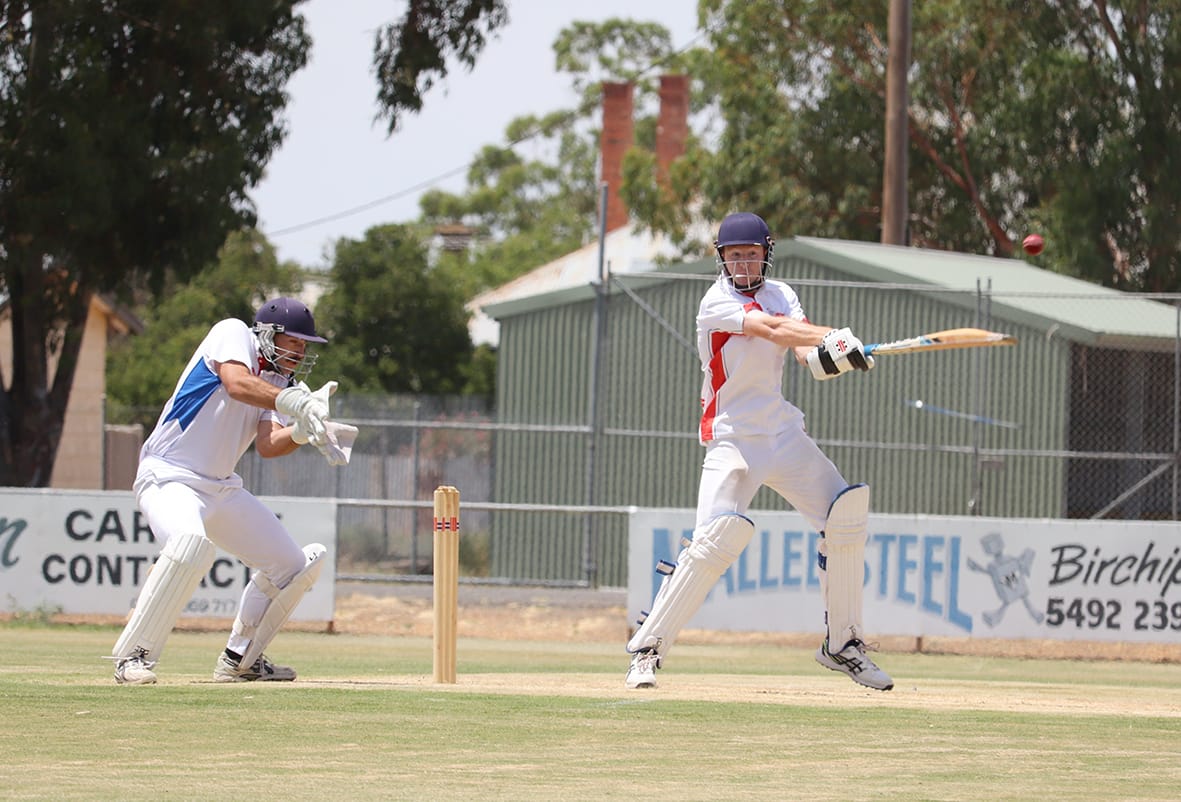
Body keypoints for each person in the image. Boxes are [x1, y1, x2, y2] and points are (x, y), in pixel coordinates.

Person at [625, 212, 892, 692]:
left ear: (766, 253)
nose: (743, 263)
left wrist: (841, 355)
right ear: (721, 258)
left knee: (845, 516)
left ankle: (843, 645)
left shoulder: (783, 292)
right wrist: (835, 334)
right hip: (732, 438)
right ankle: (647, 652)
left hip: (782, 433)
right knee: (710, 544)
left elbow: (808, 356)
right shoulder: (716, 303)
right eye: (734, 255)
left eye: (750, 253)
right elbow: (772, 330)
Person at [110, 297, 357, 685]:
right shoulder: (232, 333)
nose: (301, 351)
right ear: (269, 334)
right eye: (294, 342)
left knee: (293, 566)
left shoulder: (277, 381)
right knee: (189, 546)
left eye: (305, 345)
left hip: (221, 487)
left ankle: (240, 659)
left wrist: (303, 432)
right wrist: (293, 401)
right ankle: (132, 658)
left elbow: (268, 445)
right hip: (168, 475)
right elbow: (236, 384)